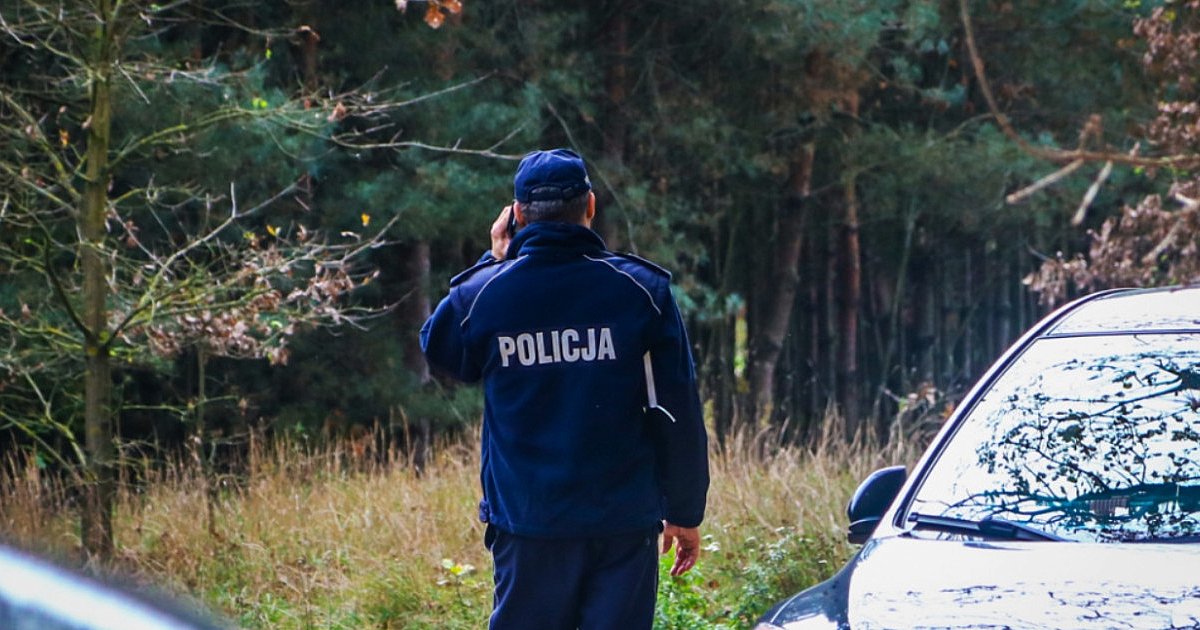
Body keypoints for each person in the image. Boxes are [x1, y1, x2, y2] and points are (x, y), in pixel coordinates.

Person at [419, 148, 710, 629]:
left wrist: (493, 260)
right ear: (590, 206)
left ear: (515, 215)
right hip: (622, 523)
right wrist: (685, 508)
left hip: (528, 525)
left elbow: (443, 351)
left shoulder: (484, 293)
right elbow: (675, 408)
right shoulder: (641, 292)